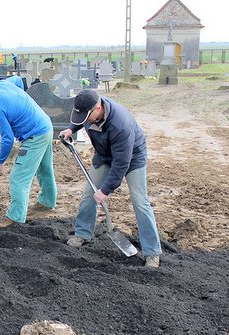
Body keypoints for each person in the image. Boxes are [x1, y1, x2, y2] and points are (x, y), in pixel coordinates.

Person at [59, 89, 162, 268]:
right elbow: (79, 120)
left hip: (132, 158)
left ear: (98, 109)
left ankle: (152, 252)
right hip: (104, 154)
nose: (83, 119)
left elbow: (121, 164)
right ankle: (82, 233)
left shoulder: (120, 125)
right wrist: (71, 129)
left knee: (140, 201)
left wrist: (106, 190)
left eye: (86, 116)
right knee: (88, 194)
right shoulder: (88, 106)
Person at [0, 77, 57, 228]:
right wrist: (19, 104)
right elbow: (19, 81)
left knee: (18, 178)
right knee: (44, 168)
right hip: (45, 125)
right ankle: (47, 202)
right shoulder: (2, 84)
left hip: (34, 135)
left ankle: (15, 217)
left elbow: (7, 139)